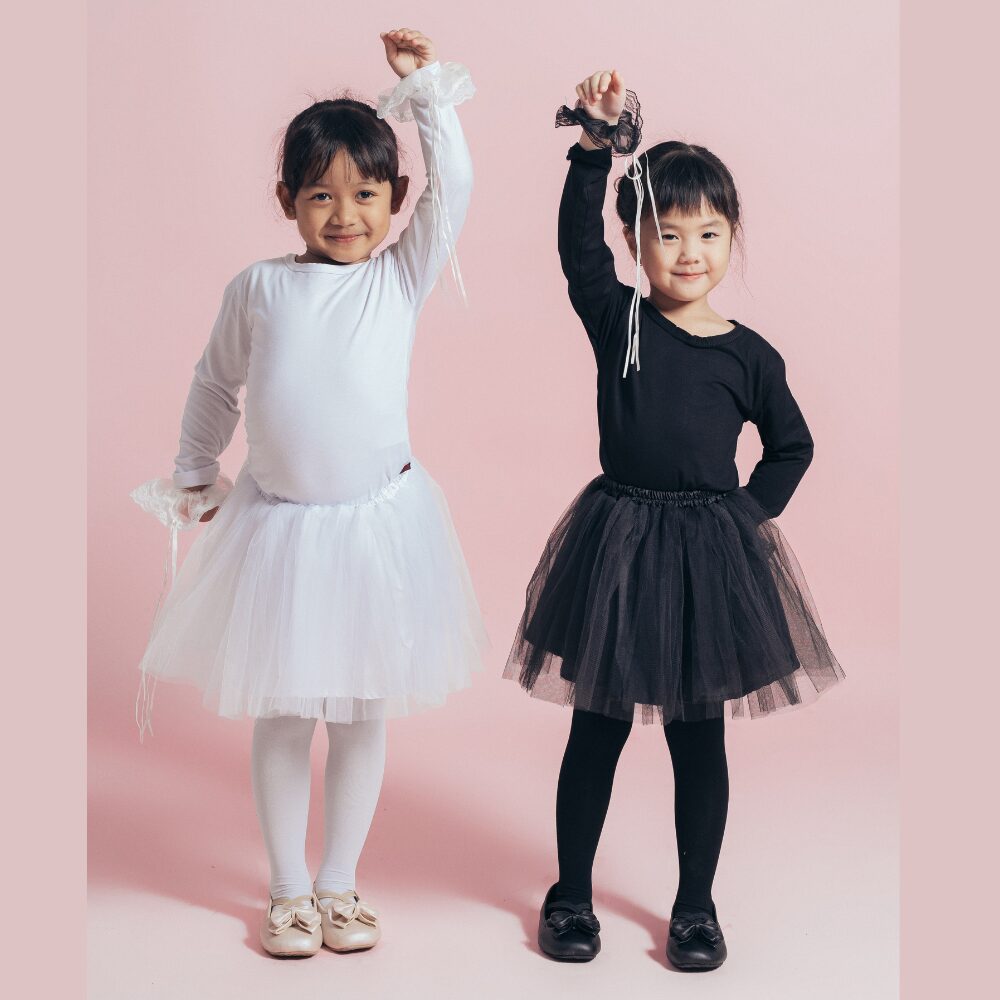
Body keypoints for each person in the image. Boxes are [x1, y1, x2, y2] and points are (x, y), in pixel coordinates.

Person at [131, 28, 487, 959]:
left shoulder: (398, 277)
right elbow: (214, 384)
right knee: (286, 712)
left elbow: (456, 185)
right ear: (286, 200)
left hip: (376, 529)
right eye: (321, 194)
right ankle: (288, 888)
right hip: (281, 531)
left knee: (362, 711)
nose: (345, 213)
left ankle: (339, 881)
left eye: (366, 194)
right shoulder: (258, 289)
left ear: (395, 199)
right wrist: (196, 473)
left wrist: (422, 92)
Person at [503, 68, 845, 971]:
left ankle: (696, 906)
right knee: (596, 730)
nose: (689, 251)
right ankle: (570, 894)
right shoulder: (618, 319)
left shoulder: (750, 356)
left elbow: (792, 446)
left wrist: (743, 520)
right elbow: (577, 251)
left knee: (700, 742)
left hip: (706, 558)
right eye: (666, 232)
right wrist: (592, 148)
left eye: (708, 232)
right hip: (618, 548)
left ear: (733, 235)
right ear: (635, 240)